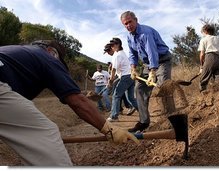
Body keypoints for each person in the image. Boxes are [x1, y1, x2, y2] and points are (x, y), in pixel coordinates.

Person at [0, 40, 139, 166]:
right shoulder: (47, 57)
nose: (58, 63)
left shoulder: (20, 55)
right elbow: (76, 101)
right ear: (52, 51)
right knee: (47, 133)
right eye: (60, 60)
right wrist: (109, 130)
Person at [120, 11, 174, 132]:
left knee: (164, 87)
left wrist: (153, 71)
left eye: (130, 22)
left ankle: (172, 119)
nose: (128, 25)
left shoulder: (146, 32)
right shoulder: (129, 36)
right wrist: (133, 68)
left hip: (162, 61)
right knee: (139, 88)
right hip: (147, 64)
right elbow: (132, 53)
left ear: (136, 20)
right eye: (125, 24)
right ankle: (144, 122)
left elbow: (152, 52)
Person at [106, 38, 138, 122]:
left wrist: (111, 80)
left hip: (126, 77)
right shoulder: (122, 53)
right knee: (131, 98)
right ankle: (143, 111)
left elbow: (113, 69)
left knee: (116, 95)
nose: (111, 47)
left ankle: (114, 116)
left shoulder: (117, 55)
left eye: (113, 45)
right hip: (130, 76)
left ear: (117, 45)